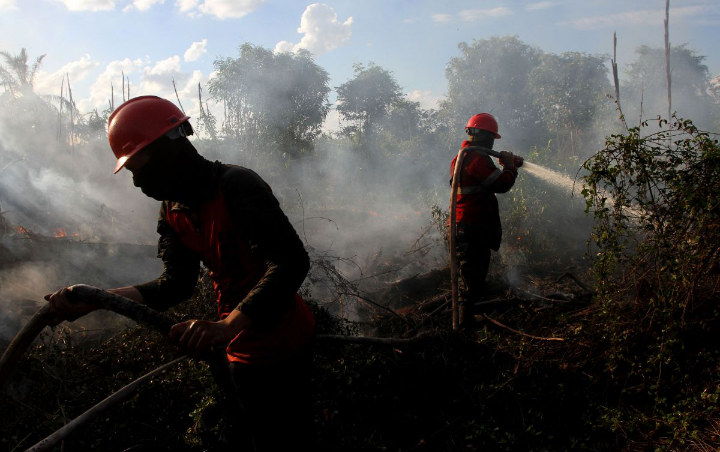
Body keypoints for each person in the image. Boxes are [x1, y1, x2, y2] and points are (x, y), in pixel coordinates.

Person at [44, 95, 316, 451]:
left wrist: (227, 326)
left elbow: (290, 262)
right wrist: (98, 300)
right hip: (236, 346)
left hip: (285, 343)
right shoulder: (172, 210)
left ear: (168, 150)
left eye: (139, 168)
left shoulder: (237, 185)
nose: (138, 182)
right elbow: (176, 285)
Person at [449, 113, 521, 327]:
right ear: (484, 136)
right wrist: (509, 168)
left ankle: (465, 320)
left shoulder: (461, 157)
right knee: (471, 281)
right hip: (471, 229)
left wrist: (505, 165)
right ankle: (463, 330)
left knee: (470, 279)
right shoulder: (476, 159)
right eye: (491, 138)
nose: (492, 143)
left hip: (464, 227)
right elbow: (501, 184)